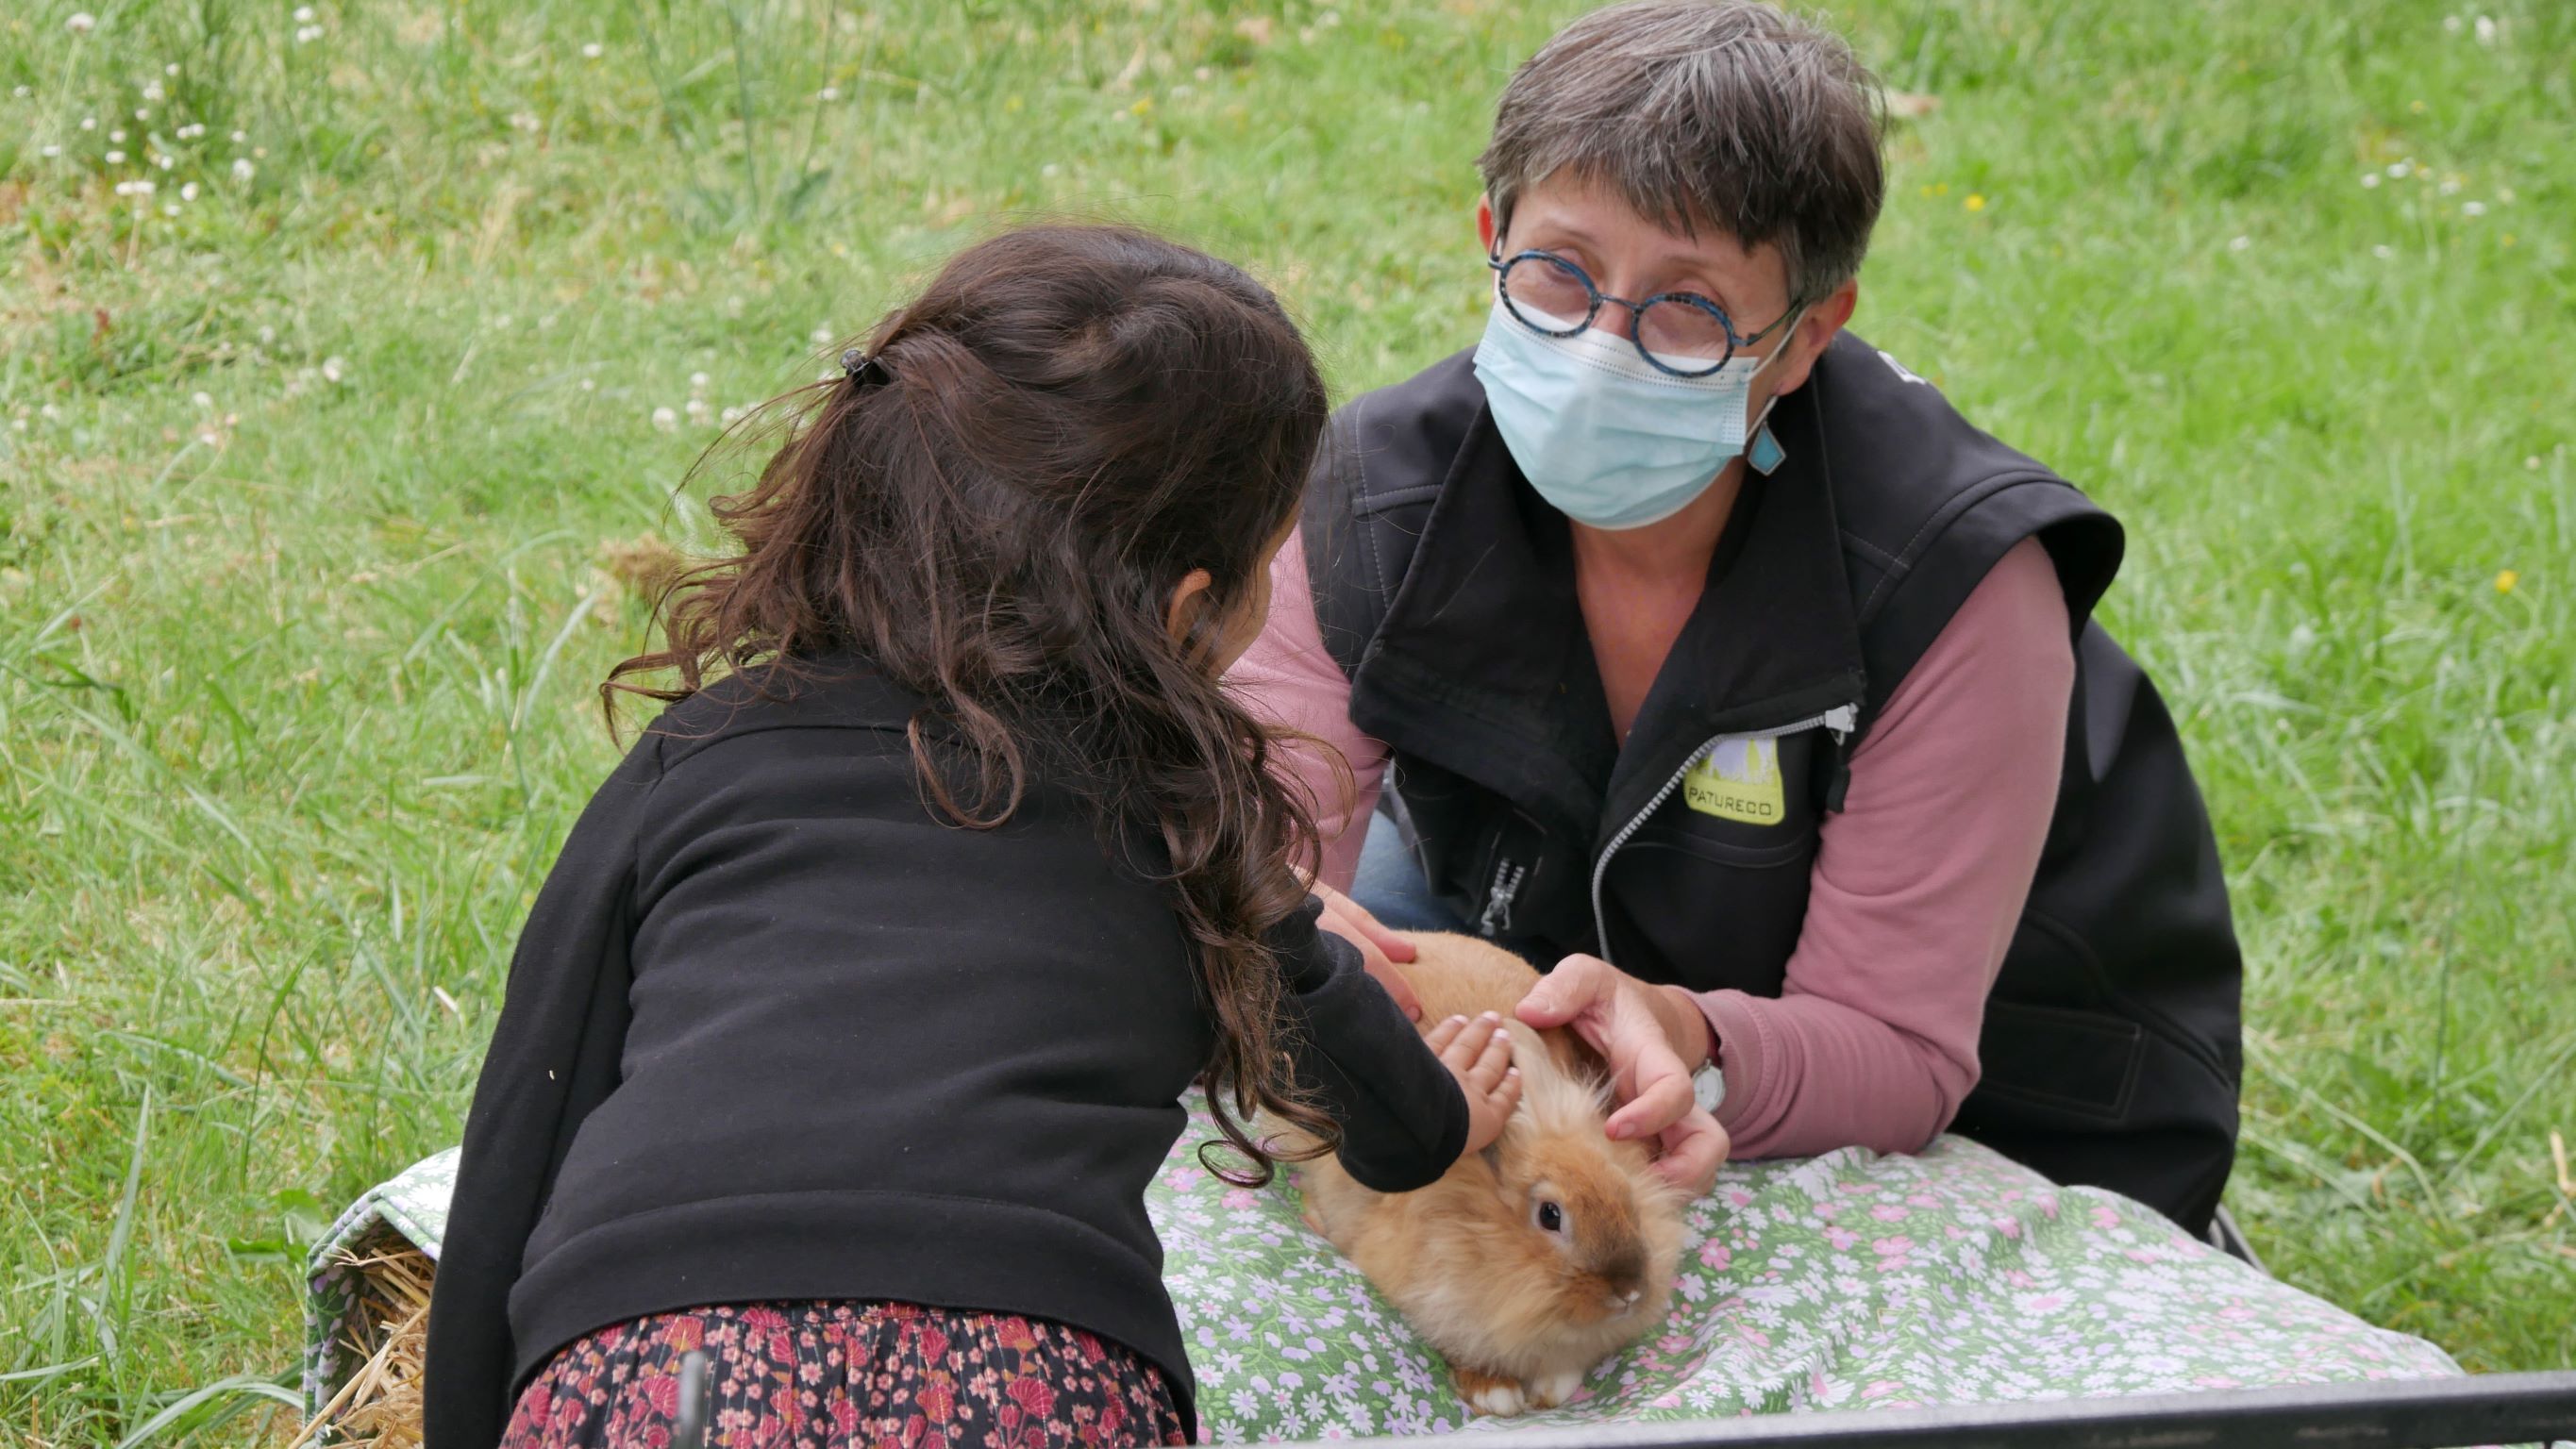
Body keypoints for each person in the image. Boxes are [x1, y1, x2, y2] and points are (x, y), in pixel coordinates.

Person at [422, 225, 1524, 1449]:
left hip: (652, 1349)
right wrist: (1442, 1112)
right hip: (1027, 1369)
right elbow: (1386, 1116)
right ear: (1186, 614)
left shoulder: (707, 751)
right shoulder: (1179, 813)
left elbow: (527, 1122)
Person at [1232, 0, 2244, 1236]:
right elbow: (1246, 861)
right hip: (1565, 961)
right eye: (1559, 271)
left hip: (1999, 1083)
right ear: (1490, 237)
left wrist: (1686, 1037)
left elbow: (1895, 1048)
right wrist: (1278, 931)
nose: (1601, 347)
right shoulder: (1363, 500)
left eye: (1686, 309)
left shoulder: (1957, 584)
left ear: (1806, 334)